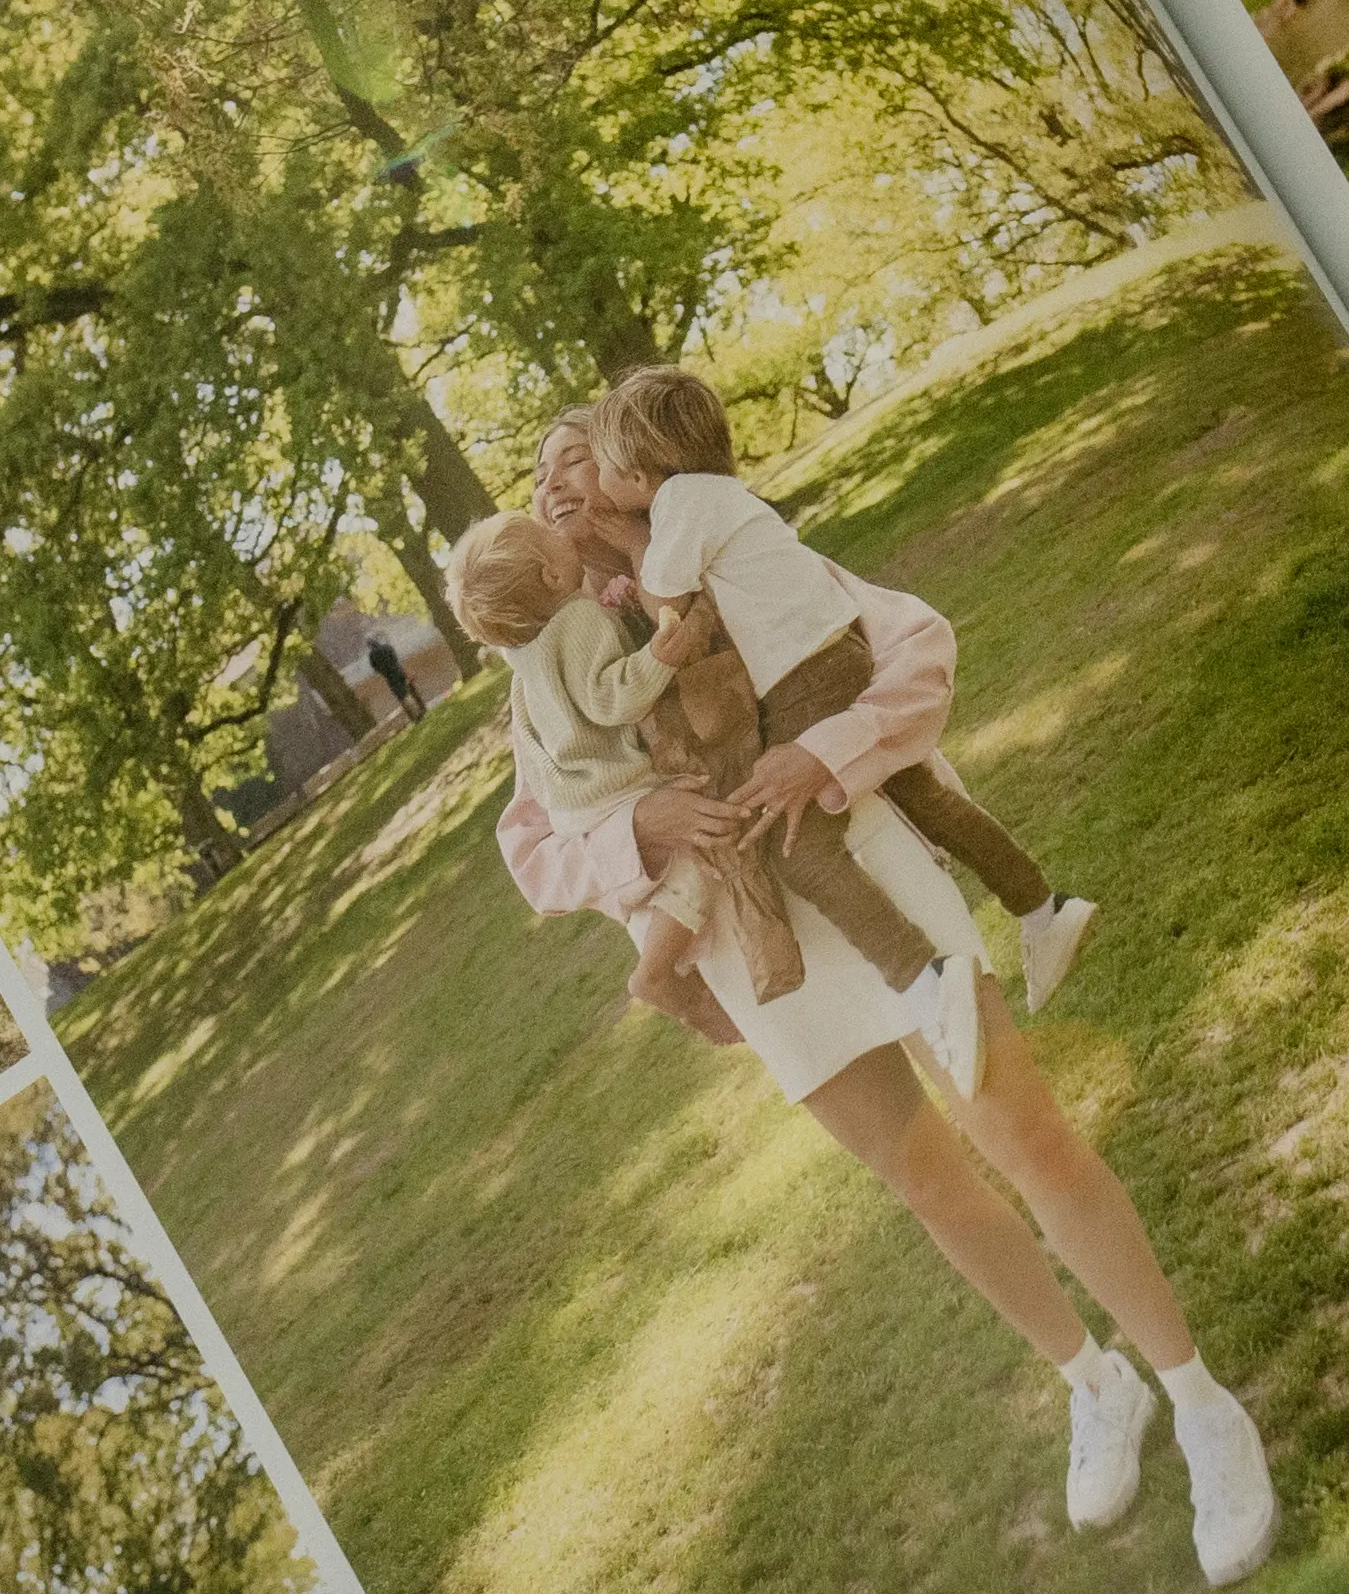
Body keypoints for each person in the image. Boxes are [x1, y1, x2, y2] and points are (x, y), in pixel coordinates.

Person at [501, 419, 1273, 1582]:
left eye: (577, 451)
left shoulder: (725, 542)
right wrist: (632, 829)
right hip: (749, 938)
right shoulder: (547, 659)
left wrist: (825, 750)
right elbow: (533, 850)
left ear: (623, 471)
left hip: (863, 862)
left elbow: (915, 649)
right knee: (918, 1173)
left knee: (1020, 1132)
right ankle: (1092, 1382)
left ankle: (1200, 1399)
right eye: (539, 470)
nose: (557, 476)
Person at [586, 365, 1094, 1026]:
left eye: (597, 463)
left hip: (803, 682)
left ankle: (928, 984)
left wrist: (628, 539)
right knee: (925, 797)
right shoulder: (719, 492)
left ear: (633, 472)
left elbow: (668, 608)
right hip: (839, 654)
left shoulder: (680, 502)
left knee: (800, 853)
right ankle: (1041, 908)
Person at [446, 508, 916, 1054]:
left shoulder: (526, 660)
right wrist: (660, 655)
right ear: (552, 576)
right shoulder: (577, 621)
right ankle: (657, 975)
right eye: (549, 532)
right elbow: (611, 698)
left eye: (574, 462)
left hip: (580, 801)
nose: (555, 501)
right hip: (614, 799)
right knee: (694, 869)